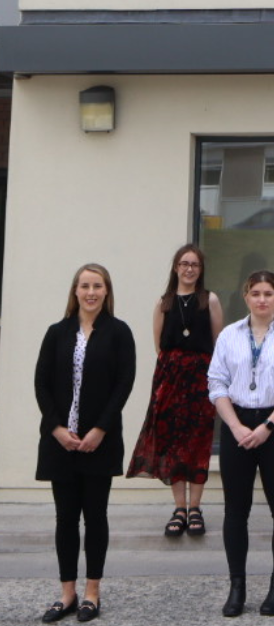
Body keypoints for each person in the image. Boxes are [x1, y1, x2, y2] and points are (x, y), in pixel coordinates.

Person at [35, 264, 135, 624]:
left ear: (106, 291)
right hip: (60, 443)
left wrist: (100, 430)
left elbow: (124, 384)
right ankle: (67, 593)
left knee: (95, 518)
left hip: (99, 443)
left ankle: (92, 592)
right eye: (85, 286)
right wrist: (57, 429)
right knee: (65, 520)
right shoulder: (56, 333)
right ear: (75, 291)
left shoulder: (119, 333)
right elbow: (41, 384)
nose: (91, 292)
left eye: (97, 286)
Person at [208, 270, 274, 617]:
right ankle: (237, 587)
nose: (262, 299)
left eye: (268, 293)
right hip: (236, 425)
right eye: (255, 293)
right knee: (236, 510)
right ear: (246, 296)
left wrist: (267, 426)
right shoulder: (228, 335)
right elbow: (216, 383)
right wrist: (235, 426)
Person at [127, 245, 224, 538]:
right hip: (170, 381)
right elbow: (159, 346)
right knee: (172, 444)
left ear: (201, 269)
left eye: (194, 264)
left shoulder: (210, 300)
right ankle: (179, 508)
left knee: (197, 442)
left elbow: (219, 343)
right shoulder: (164, 302)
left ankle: (196, 508)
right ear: (176, 268)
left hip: (200, 380)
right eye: (184, 263)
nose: (189, 269)